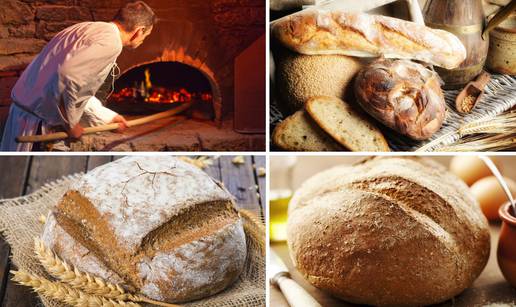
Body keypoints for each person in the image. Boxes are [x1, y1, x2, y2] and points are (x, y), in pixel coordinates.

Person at [0, 1, 156, 151]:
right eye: (146, 35)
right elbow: (66, 77)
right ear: (139, 31)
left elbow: (75, 87)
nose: (143, 40)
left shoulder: (86, 28)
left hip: (24, 114)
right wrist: (70, 124)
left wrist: (107, 117)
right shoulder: (111, 42)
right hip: (38, 125)